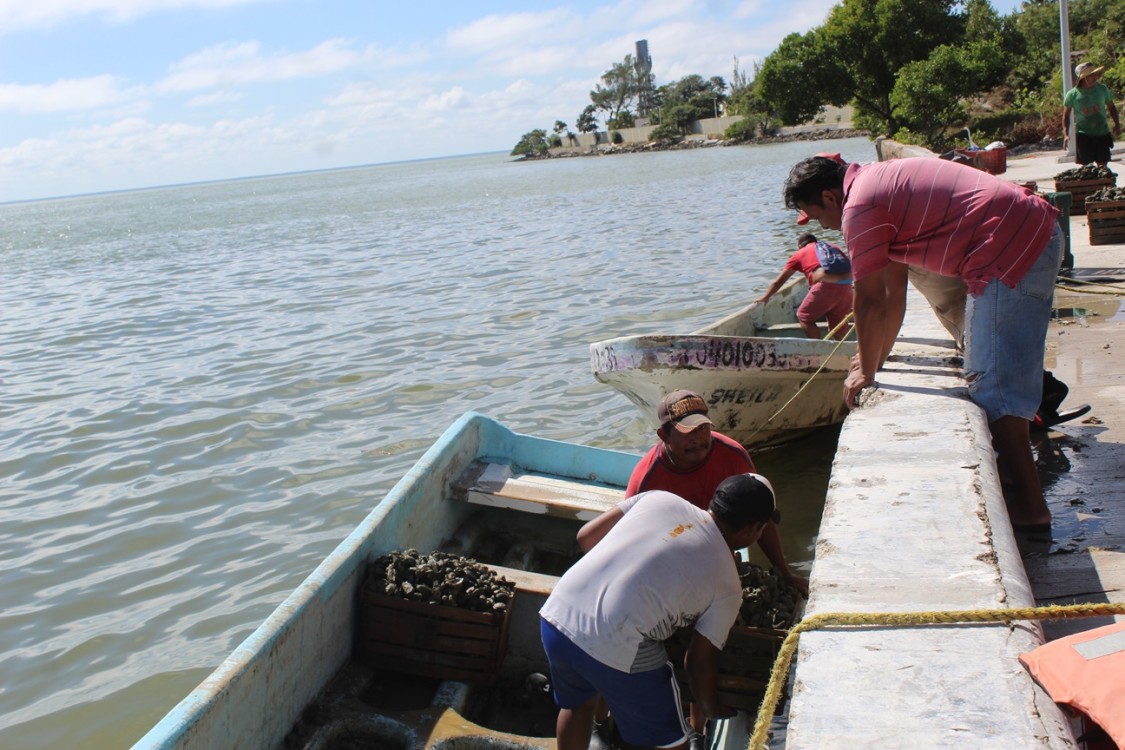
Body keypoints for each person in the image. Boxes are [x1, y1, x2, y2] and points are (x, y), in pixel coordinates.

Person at [783, 155, 1064, 533]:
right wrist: (873, 360)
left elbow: (869, 300)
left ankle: (1032, 508)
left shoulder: (859, 206)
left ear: (830, 198)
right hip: (1028, 232)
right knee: (994, 379)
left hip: (1009, 244)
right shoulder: (875, 184)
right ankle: (1012, 481)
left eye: (816, 216)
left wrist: (865, 371)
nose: (823, 226)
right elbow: (888, 294)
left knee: (994, 387)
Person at [540, 473, 780, 750]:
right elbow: (698, 663)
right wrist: (712, 707)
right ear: (754, 529)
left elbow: (586, 537)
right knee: (672, 743)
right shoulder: (728, 585)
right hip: (619, 644)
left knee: (576, 706)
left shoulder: (658, 498)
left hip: (557, 614)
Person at [628, 389, 809, 597]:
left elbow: (761, 517)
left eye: (703, 428)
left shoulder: (733, 456)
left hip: (721, 552)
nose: (698, 439)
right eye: (687, 432)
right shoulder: (647, 480)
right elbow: (636, 545)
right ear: (664, 435)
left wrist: (785, 573)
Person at [755, 232, 853, 340]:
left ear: (800, 246)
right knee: (838, 323)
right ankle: (843, 351)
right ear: (815, 241)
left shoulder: (799, 253)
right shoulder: (832, 247)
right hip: (847, 285)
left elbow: (779, 281)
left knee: (804, 317)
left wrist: (766, 297)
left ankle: (818, 348)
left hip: (825, 286)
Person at [1063, 62, 1121, 167]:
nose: (1095, 77)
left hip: (1102, 133)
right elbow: (1066, 115)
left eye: (1095, 74)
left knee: (1103, 167)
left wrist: (1117, 124)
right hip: (1084, 136)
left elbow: (1111, 107)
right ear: (1083, 78)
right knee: (1087, 168)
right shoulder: (1072, 94)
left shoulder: (1102, 89)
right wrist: (1066, 134)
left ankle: (1103, 183)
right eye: (1091, 75)